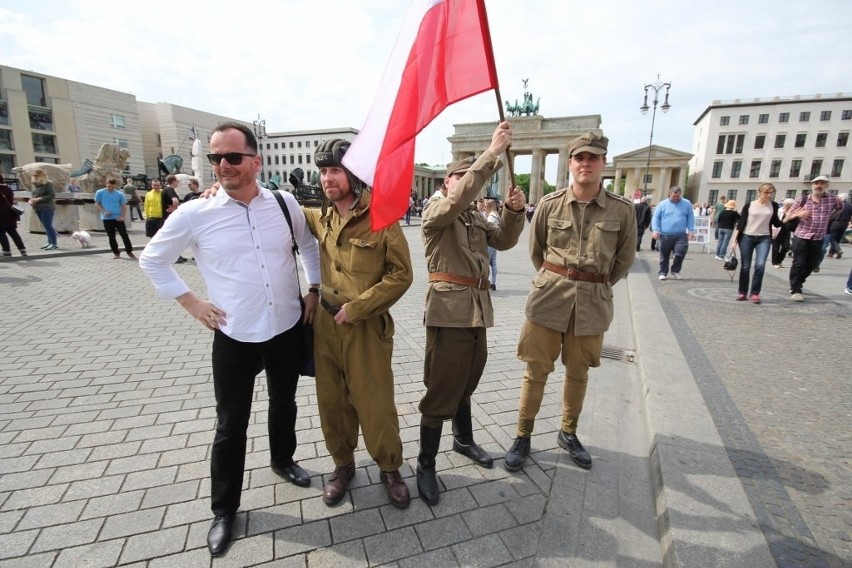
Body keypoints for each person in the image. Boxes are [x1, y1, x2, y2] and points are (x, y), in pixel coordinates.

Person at [139, 122, 321, 558]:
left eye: (232, 157)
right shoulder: (193, 213)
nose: (223, 165)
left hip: (285, 325)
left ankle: (283, 460)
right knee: (229, 424)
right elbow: (153, 260)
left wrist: (313, 288)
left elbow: (310, 246)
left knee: (285, 401)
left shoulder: (284, 203)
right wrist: (193, 304)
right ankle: (225, 510)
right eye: (215, 158)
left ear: (255, 161)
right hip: (234, 334)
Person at [503, 131, 636, 472]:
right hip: (549, 300)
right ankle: (522, 435)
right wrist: (557, 280)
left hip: (592, 304)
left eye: (593, 157)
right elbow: (536, 251)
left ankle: (568, 432)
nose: (586, 164)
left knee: (578, 372)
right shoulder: (549, 204)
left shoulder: (622, 211)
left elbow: (623, 260)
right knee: (536, 371)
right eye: (580, 157)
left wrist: (593, 285)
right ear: (571, 162)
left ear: (604, 163)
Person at [302, 138, 414, 510]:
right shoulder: (321, 214)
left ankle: (390, 468)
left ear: (352, 173)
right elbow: (273, 208)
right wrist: (214, 193)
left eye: (334, 170)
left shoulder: (381, 216)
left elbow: (401, 275)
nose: (327, 178)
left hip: (364, 326)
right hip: (325, 325)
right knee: (331, 401)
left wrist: (360, 307)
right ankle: (342, 465)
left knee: (374, 401)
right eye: (322, 172)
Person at [418, 122, 526, 505]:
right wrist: (491, 155)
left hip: (478, 312)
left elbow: (506, 241)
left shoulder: (476, 217)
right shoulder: (437, 210)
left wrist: (514, 211)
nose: (467, 182)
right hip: (448, 312)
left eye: (470, 177)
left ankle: (463, 439)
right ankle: (425, 463)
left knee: (467, 380)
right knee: (442, 387)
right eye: (460, 177)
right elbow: (459, 196)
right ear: (447, 183)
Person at [786, 175, 842, 302]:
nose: (819, 186)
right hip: (801, 235)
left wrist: (830, 218)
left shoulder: (833, 199)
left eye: (822, 183)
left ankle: (799, 281)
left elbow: (840, 208)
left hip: (818, 236)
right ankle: (795, 289)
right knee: (799, 263)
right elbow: (788, 216)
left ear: (826, 186)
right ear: (812, 185)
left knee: (811, 264)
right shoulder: (803, 200)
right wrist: (798, 214)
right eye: (816, 183)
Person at [730, 183, 782, 303]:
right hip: (746, 237)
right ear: (759, 193)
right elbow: (741, 223)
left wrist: (789, 217)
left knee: (760, 265)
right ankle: (742, 292)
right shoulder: (749, 205)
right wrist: (734, 241)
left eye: (771, 193)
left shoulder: (773, 205)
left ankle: (755, 293)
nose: (769, 195)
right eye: (766, 193)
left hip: (764, 238)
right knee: (745, 266)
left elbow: (777, 222)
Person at [651, 186, 695, 280]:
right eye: (674, 196)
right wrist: (655, 230)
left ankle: (675, 270)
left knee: (680, 253)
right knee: (664, 255)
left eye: (678, 196)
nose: (676, 198)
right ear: (669, 194)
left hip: (681, 234)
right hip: (665, 235)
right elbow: (656, 218)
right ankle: (663, 272)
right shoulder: (662, 204)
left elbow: (690, 217)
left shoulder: (686, 203)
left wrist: (690, 230)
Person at [94, 177, 135, 259]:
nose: (110, 188)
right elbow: (96, 203)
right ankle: (116, 252)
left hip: (118, 218)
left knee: (124, 235)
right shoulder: (100, 192)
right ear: (106, 184)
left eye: (112, 187)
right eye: (109, 186)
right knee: (111, 236)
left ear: (115, 185)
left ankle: (129, 251)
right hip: (107, 218)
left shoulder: (119, 194)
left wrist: (122, 216)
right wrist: (103, 211)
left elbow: (124, 206)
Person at [29, 168, 58, 250]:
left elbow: (52, 195)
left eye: (36, 175)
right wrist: (31, 200)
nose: (34, 177)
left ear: (41, 176)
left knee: (48, 226)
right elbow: (34, 196)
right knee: (45, 226)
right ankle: (49, 242)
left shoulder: (48, 184)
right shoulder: (34, 185)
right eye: (33, 175)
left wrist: (39, 199)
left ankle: (54, 243)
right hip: (38, 207)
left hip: (47, 207)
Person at [0, 175, 27, 257]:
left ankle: (6, 251)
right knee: (13, 232)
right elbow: (11, 200)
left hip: (0, 215)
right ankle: (22, 250)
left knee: (1, 234)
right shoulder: (8, 188)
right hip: (10, 214)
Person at [771, 198, 796, 268]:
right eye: (791, 205)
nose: (792, 206)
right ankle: (774, 262)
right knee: (775, 248)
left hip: (787, 232)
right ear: (786, 205)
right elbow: (775, 221)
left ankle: (779, 260)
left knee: (786, 247)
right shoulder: (779, 210)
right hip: (777, 231)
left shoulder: (793, 212)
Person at [826, 193, 852, 259]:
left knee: (832, 238)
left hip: (835, 223)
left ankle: (838, 250)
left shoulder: (837, 205)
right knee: (837, 239)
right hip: (845, 223)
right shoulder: (850, 206)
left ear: (840, 198)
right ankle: (831, 253)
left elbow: (831, 213)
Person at [484, 198, 502, 290]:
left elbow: (486, 228)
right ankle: (493, 282)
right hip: (495, 241)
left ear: (489, 206)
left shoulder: (491, 216)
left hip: (490, 241)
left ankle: (485, 280)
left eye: (486, 206)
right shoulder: (497, 214)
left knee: (486, 261)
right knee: (493, 262)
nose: (484, 208)